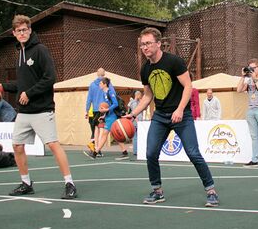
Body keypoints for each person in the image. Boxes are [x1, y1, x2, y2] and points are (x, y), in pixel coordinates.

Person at [128, 27, 219, 207]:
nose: (144, 47)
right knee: (151, 153)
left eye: (148, 43)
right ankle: (157, 191)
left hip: (181, 115)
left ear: (158, 44)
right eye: (142, 44)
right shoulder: (145, 69)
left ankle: (211, 191)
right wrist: (133, 113)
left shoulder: (174, 62)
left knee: (193, 153)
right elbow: (147, 96)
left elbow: (188, 86)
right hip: (160, 116)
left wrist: (179, 109)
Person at [2, 15, 77, 199]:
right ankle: (26, 183)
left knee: (53, 145)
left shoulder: (40, 50)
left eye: (25, 29)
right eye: (19, 30)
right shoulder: (19, 53)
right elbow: (22, 84)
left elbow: (50, 78)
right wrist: (0, 86)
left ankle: (70, 184)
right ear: (14, 33)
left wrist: (30, 93)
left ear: (30, 30)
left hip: (42, 109)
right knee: (17, 146)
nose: (22, 33)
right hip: (24, 112)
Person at [86, 78, 129, 160]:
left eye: (101, 83)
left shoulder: (110, 92)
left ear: (105, 84)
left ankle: (96, 152)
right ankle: (124, 151)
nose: (99, 84)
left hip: (112, 116)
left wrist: (107, 110)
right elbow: (108, 105)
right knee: (114, 134)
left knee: (104, 134)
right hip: (109, 116)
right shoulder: (104, 93)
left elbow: (115, 104)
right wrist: (104, 115)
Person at [85, 68, 106, 152]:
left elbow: (89, 99)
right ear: (104, 74)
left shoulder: (92, 85)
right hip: (104, 110)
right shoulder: (106, 83)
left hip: (94, 110)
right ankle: (97, 149)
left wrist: (87, 110)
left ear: (97, 74)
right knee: (101, 130)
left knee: (95, 129)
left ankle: (95, 147)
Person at [127, 89, 143, 156]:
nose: (141, 96)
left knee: (137, 136)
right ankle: (136, 151)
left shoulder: (139, 102)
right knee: (136, 136)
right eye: (140, 95)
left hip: (138, 120)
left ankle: (137, 150)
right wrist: (136, 119)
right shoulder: (133, 102)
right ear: (137, 95)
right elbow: (134, 111)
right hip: (136, 121)